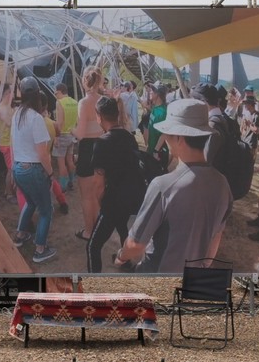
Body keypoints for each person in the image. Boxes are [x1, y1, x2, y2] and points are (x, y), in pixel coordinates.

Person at [116, 97, 232, 274]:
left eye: (168, 134)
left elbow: (135, 244)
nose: (166, 139)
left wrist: (121, 256)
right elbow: (216, 236)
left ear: (179, 138)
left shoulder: (164, 186)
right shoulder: (222, 182)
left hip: (159, 275)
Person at [85, 97, 145, 273]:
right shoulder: (129, 137)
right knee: (121, 226)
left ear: (99, 116)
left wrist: (101, 203)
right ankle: (125, 262)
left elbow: (98, 183)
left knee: (92, 246)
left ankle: (91, 288)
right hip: (131, 197)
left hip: (114, 201)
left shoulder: (102, 143)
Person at [9, 79, 59, 264]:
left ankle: (20, 235)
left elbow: (14, 144)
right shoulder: (36, 118)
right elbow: (43, 154)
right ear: (38, 94)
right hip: (33, 169)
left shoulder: (17, 114)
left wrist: (12, 169)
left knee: (30, 203)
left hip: (18, 167)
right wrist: (51, 173)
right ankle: (40, 249)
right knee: (46, 210)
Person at [74, 69, 110, 239]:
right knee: (97, 193)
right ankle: (96, 229)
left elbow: (80, 134)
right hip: (103, 147)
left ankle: (89, 231)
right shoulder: (104, 100)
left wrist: (71, 130)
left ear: (84, 81)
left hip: (88, 149)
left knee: (87, 196)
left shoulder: (84, 102)